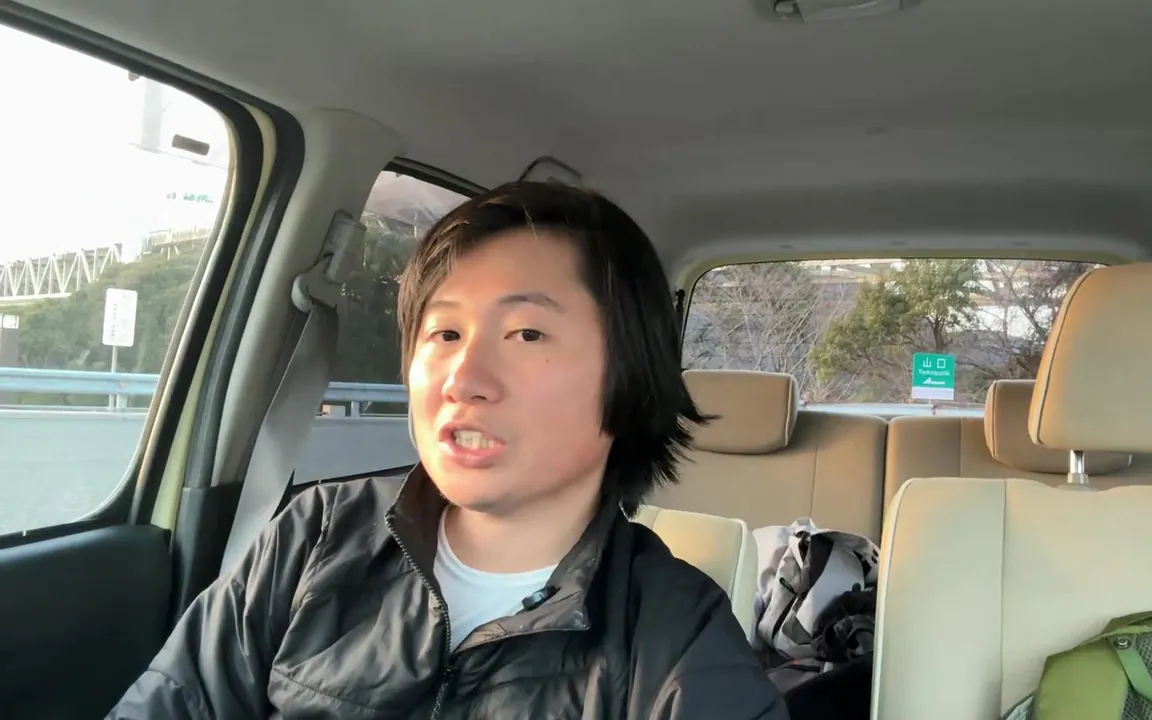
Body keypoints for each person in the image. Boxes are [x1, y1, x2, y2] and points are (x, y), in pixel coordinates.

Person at [108, 181, 789, 718]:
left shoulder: (677, 640)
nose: (464, 380)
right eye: (445, 335)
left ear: (629, 377)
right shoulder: (316, 536)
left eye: (526, 334)